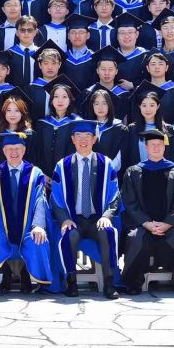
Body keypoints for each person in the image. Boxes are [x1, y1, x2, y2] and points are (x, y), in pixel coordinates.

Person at [0, 132, 62, 295]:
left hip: (28, 229)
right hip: (1, 229)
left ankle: (30, 276)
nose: (14, 152)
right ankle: (4, 275)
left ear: (24, 150)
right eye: (9, 149)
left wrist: (38, 226)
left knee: (38, 241)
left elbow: (40, 201)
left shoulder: (35, 174)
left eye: (18, 148)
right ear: (4, 151)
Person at [49, 120, 121, 298]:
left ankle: (109, 283)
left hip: (98, 218)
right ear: (73, 139)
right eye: (79, 136)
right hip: (74, 219)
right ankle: (71, 282)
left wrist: (107, 216)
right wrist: (64, 218)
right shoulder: (62, 166)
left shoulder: (106, 164)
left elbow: (114, 195)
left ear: (94, 139)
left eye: (88, 136)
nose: (83, 140)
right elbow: (55, 197)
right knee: (69, 235)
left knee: (107, 232)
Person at [120, 129, 174, 294]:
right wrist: (146, 223)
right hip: (143, 224)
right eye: (152, 144)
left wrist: (168, 223)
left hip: (170, 225)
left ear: (164, 147)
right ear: (146, 147)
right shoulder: (133, 172)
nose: (156, 147)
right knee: (134, 237)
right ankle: (133, 283)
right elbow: (129, 202)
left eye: (160, 144)